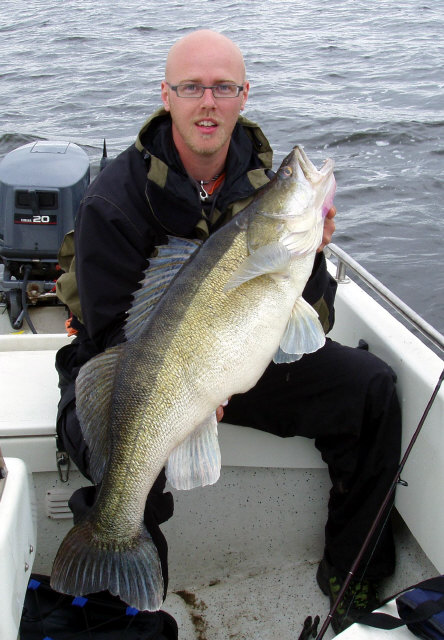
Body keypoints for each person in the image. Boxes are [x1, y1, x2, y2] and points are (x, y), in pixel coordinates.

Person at [55, 29, 402, 636]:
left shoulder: (261, 185)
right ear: (166, 95)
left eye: (223, 88)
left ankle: (353, 581)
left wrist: (312, 254)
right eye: (192, 87)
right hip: (145, 371)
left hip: (241, 354)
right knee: (121, 450)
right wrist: (195, 398)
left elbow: (311, 323)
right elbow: (111, 334)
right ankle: (124, 600)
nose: (208, 103)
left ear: (245, 95)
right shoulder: (111, 199)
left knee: (370, 389)